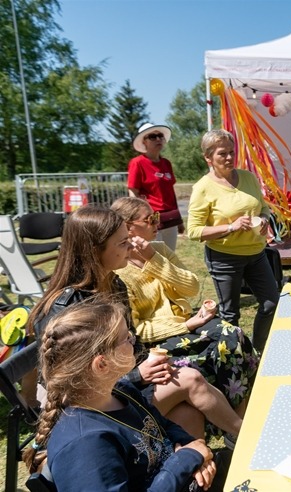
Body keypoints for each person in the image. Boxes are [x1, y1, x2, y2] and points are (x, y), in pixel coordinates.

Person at [29, 205, 243, 441]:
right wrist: (138, 374)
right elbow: (73, 387)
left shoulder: (114, 284)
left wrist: (149, 364)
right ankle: (248, 438)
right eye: (122, 243)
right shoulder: (67, 309)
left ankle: (192, 468)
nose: (131, 246)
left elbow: (131, 342)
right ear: (94, 250)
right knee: (190, 379)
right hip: (82, 411)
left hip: (115, 388)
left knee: (188, 413)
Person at [24, 300, 217, 491]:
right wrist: (187, 458)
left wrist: (191, 446)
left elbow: (162, 426)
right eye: (127, 338)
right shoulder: (86, 445)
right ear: (102, 365)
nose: (134, 340)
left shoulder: (120, 392)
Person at [112, 197, 258, 414]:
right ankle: (235, 420)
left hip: (186, 323)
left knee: (234, 334)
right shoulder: (118, 270)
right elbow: (138, 329)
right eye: (150, 219)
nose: (157, 224)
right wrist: (187, 325)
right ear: (128, 227)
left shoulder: (158, 249)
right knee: (224, 343)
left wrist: (153, 258)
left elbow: (191, 287)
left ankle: (244, 411)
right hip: (158, 339)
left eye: (156, 217)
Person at [187, 129, 279, 353]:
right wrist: (231, 227)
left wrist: (265, 219)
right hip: (224, 258)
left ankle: (257, 352)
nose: (229, 157)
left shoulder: (247, 177)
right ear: (208, 158)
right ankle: (234, 360)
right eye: (222, 154)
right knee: (230, 314)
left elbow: (263, 207)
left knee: (271, 303)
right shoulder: (202, 188)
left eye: (231, 152)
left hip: (257, 253)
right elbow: (194, 231)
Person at [128, 123, 183, 251]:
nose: (158, 139)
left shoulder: (166, 163)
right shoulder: (138, 163)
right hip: (151, 219)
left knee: (170, 256)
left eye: (160, 136)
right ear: (144, 142)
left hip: (170, 218)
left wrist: (179, 219)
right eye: (152, 136)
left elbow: (170, 192)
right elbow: (133, 193)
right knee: (153, 257)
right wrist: (140, 220)